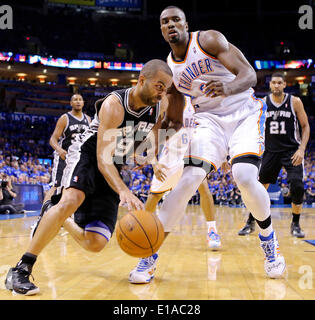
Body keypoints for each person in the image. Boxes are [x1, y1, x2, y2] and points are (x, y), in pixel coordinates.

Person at [128, 6, 286, 284]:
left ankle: (269, 242)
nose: (171, 24)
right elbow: (174, 118)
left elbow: (250, 75)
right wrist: (150, 143)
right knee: (187, 180)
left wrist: (227, 88)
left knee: (245, 176)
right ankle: (150, 256)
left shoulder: (209, 40)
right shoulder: (170, 70)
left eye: (176, 19)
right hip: (208, 121)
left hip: (243, 113)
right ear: (162, 30)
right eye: (165, 22)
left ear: (186, 24)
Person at [5, 59, 184, 295]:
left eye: (166, 88)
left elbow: (147, 142)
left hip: (115, 163)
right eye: (159, 86)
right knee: (71, 200)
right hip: (88, 154)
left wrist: (152, 160)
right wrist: (123, 190)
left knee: (96, 243)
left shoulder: (158, 106)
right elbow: (102, 159)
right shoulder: (114, 104)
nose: (162, 93)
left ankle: (53, 210)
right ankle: (21, 269)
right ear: (142, 80)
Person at [238, 73, 310, 238]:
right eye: (274, 83)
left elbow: (305, 126)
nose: (276, 85)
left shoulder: (295, 102)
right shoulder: (263, 103)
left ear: (285, 84)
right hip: (270, 151)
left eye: (279, 83)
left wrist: (301, 149)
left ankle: (296, 224)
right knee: (257, 189)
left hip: (292, 150)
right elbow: (254, 127)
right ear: (270, 85)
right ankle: (250, 221)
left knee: (297, 185)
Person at [144, 95, 220, 249]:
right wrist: (154, 163)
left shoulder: (198, 100)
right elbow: (153, 133)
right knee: (155, 196)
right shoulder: (167, 100)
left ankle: (212, 230)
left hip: (193, 152)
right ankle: (143, 228)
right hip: (171, 154)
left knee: (203, 188)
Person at [31, 94, 91, 236]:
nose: (78, 101)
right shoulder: (65, 118)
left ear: (83, 102)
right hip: (64, 157)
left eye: (80, 99)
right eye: (75, 99)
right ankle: (41, 218)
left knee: (72, 188)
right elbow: (53, 138)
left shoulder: (89, 120)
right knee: (56, 186)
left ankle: (68, 220)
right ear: (71, 103)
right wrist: (59, 150)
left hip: (79, 159)